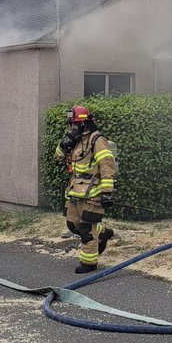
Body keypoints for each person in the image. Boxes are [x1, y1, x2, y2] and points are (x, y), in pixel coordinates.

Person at [54, 105, 118, 274]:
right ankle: (103, 233)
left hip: (93, 192)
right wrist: (63, 144)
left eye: (75, 125)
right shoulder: (75, 140)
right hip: (75, 191)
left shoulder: (97, 141)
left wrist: (107, 192)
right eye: (71, 125)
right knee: (73, 224)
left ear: (84, 124)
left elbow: (107, 166)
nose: (72, 128)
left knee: (86, 228)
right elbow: (58, 157)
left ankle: (89, 263)